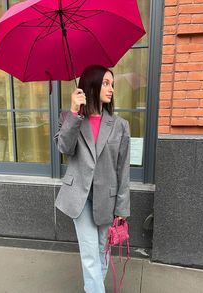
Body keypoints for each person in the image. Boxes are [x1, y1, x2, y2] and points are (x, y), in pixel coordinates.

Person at [54, 64, 130, 293]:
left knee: (101, 251)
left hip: (107, 198)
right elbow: (64, 148)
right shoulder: (69, 117)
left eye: (112, 84)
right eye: (106, 83)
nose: (111, 89)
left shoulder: (120, 126)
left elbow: (123, 170)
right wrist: (75, 113)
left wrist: (122, 208)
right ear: (91, 85)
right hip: (80, 197)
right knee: (89, 254)